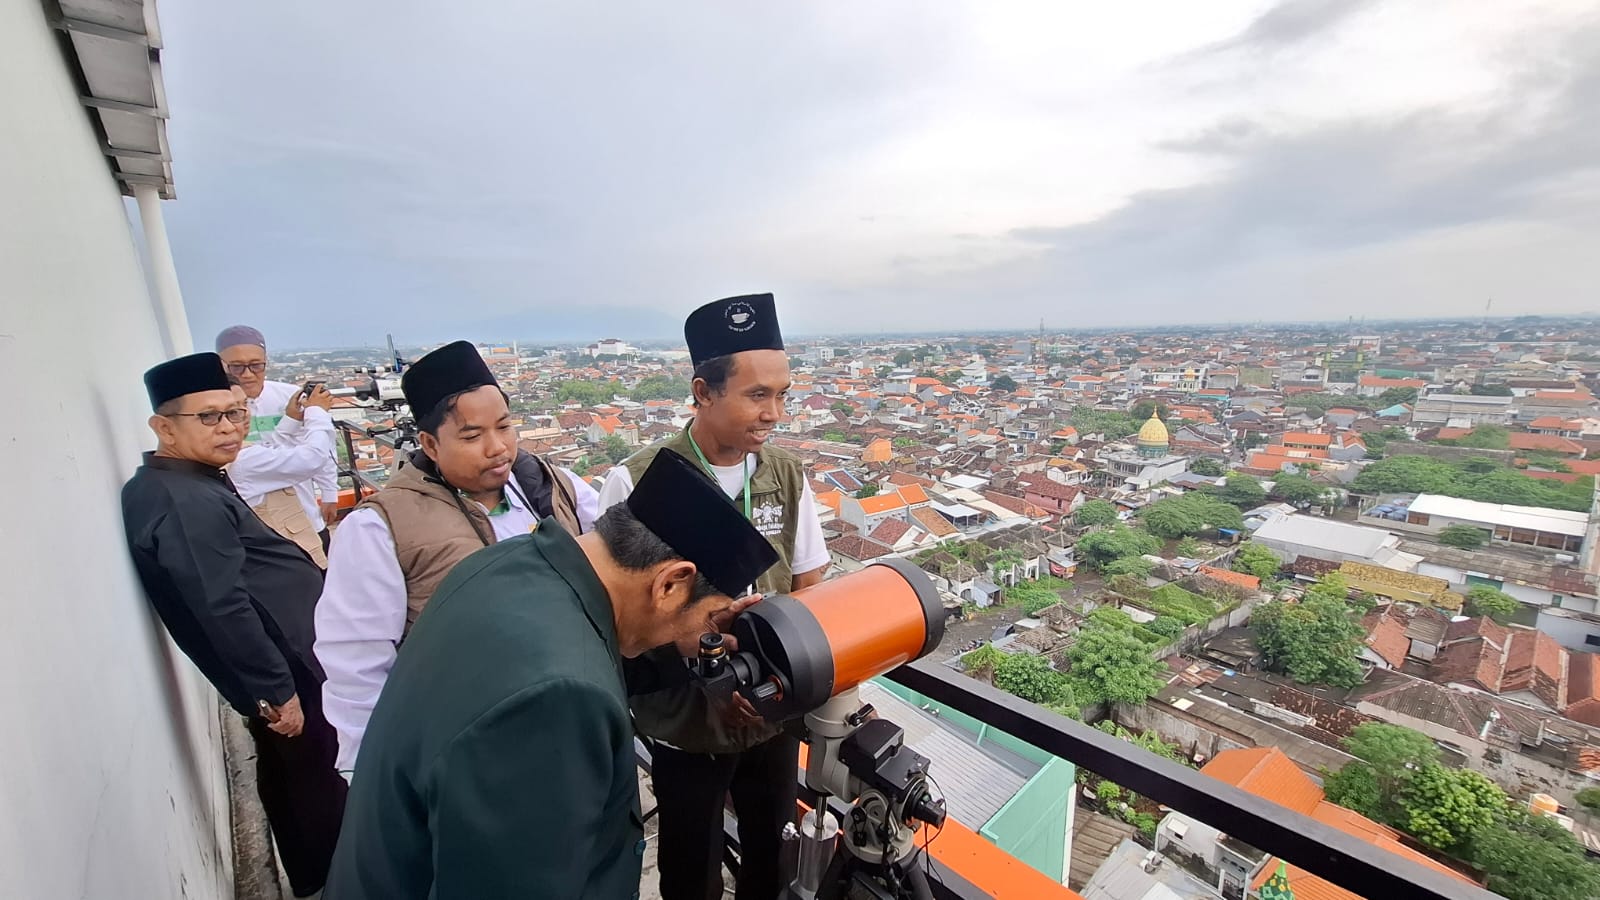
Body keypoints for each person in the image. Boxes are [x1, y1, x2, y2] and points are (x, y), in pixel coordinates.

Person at [322, 449, 779, 899]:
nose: (704, 632)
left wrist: (689, 631)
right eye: (707, 616)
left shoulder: (509, 561)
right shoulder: (559, 699)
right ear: (670, 584)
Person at [596, 293, 830, 900]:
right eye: (758, 395)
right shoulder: (640, 480)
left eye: (783, 394)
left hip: (772, 709)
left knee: (772, 851)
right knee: (691, 864)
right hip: (688, 714)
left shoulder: (783, 473)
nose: (775, 413)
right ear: (702, 392)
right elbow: (616, 614)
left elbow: (808, 581)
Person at [314, 340, 599, 778]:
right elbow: (356, 666)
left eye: (504, 427)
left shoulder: (551, 485)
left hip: (570, 717)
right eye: (472, 435)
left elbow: (613, 550)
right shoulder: (380, 529)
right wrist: (370, 775)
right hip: (468, 744)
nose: (498, 448)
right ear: (429, 442)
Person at [120, 352, 347, 898]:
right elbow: (220, 604)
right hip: (282, 666)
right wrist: (275, 691)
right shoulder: (183, 501)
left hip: (287, 656)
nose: (228, 427)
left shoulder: (192, 482)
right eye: (208, 417)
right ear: (163, 426)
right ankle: (334, 881)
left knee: (300, 774)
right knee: (314, 780)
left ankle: (319, 875)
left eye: (235, 414)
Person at [216, 325, 340, 553]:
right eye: (236, 367)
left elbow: (324, 446)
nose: (247, 374)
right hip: (258, 519)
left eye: (255, 365)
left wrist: (329, 491)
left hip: (303, 509)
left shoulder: (288, 396)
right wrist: (316, 413)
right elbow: (310, 455)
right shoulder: (219, 408)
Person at [226, 375, 339, 567]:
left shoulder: (235, 455)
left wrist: (290, 421)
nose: (244, 413)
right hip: (291, 554)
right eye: (232, 410)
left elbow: (271, 455)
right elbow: (312, 458)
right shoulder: (243, 461)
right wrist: (316, 413)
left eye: (244, 404)